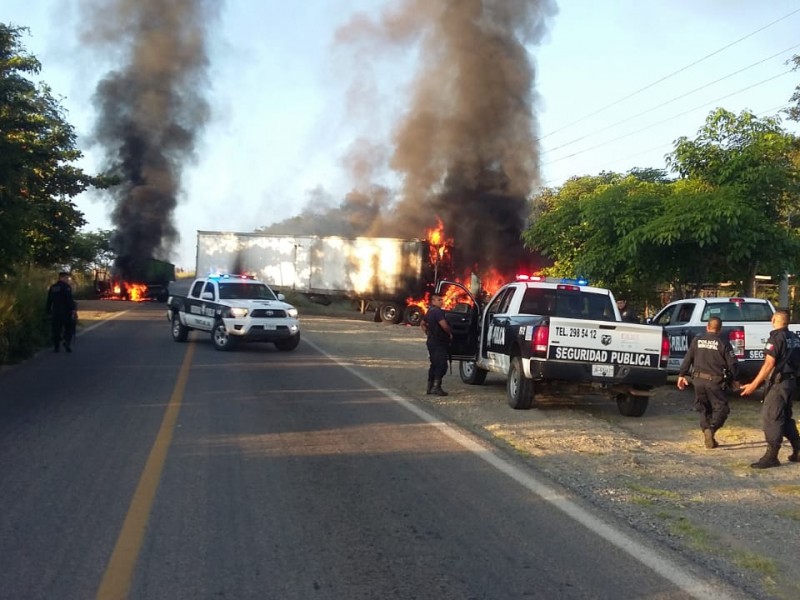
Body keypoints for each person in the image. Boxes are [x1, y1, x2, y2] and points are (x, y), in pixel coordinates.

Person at [740, 310, 800, 469]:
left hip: (779, 383)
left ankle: (772, 456)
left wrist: (753, 385)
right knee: (785, 417)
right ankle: (798, 450)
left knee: (772, 417)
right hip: (791, 383)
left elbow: (768, 364)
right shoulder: (795, 338)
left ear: (773, 320)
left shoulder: (776, 337)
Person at [676, 316, 739, 449]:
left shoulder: (697, 341)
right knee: (722, 408)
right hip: (715, 381)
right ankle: (711, 428)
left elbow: (688, 359)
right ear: (720, 329)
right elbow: (733, 364)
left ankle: (707, 432)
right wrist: (734, 380)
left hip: (698, 380)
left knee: (704, 409)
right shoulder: (723, 343)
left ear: (707, 327)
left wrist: (682, 375)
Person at [421, 292, 453, 396]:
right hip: (438, 342)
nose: (441, 302)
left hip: (431, 341)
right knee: (442, 365)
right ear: (433, 301)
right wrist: (450, 333)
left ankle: (429, 387)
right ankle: (436, 387)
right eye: (439, 300)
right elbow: (444, 325)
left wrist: (428, 332)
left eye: (441, 300)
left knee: (434, 364)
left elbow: (422, 323)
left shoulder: (430, 311)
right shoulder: (437, 312)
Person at [45, 271, 78, 353]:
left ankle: (56, 347)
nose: (68, 279)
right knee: (68, 328)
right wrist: (73, 309)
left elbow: (49, 300)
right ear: (61, 278)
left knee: (56, 329)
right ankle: (67, 342)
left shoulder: (53, 287)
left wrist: (48, 311)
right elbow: (69, 299)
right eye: (66, 278)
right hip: (66, 312)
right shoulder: (66, 287)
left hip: (56, 312)